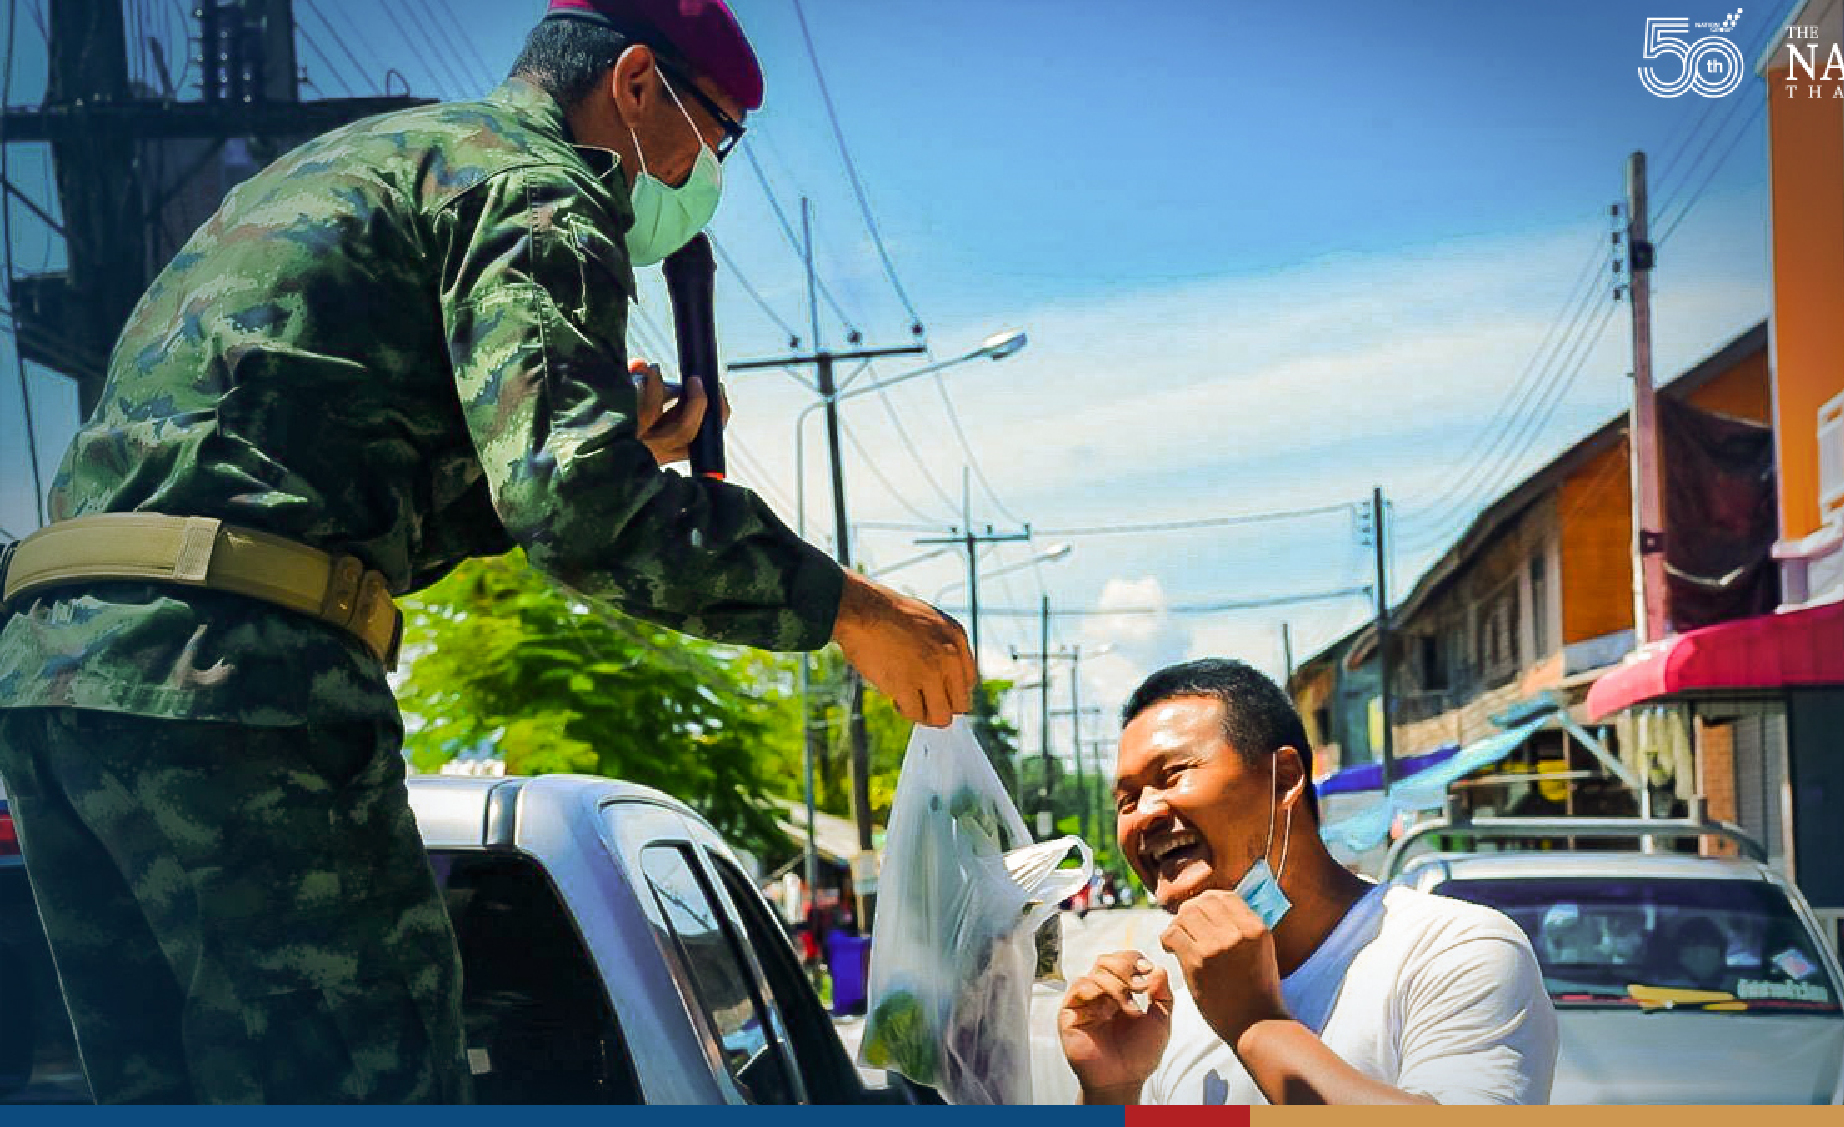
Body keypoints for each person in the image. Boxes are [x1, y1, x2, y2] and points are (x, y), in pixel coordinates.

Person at [0, 0, 972, 1104]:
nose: (709, 176)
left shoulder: (364, 159)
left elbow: (332, 482)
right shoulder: (539, 183)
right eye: (717, 135)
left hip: (55, 673)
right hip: (232, 675)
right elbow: (576, 508)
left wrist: (579, 456)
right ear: (638, 83)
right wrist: (846, 605)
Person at [1060, 659, 1557, 1105]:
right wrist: (1112, 1092)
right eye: (1126, 800)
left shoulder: (1455, 949)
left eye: (1172, 775)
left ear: (1286, 777)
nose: (1144, 813)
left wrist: (1257, 1025)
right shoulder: (1175, 1003)